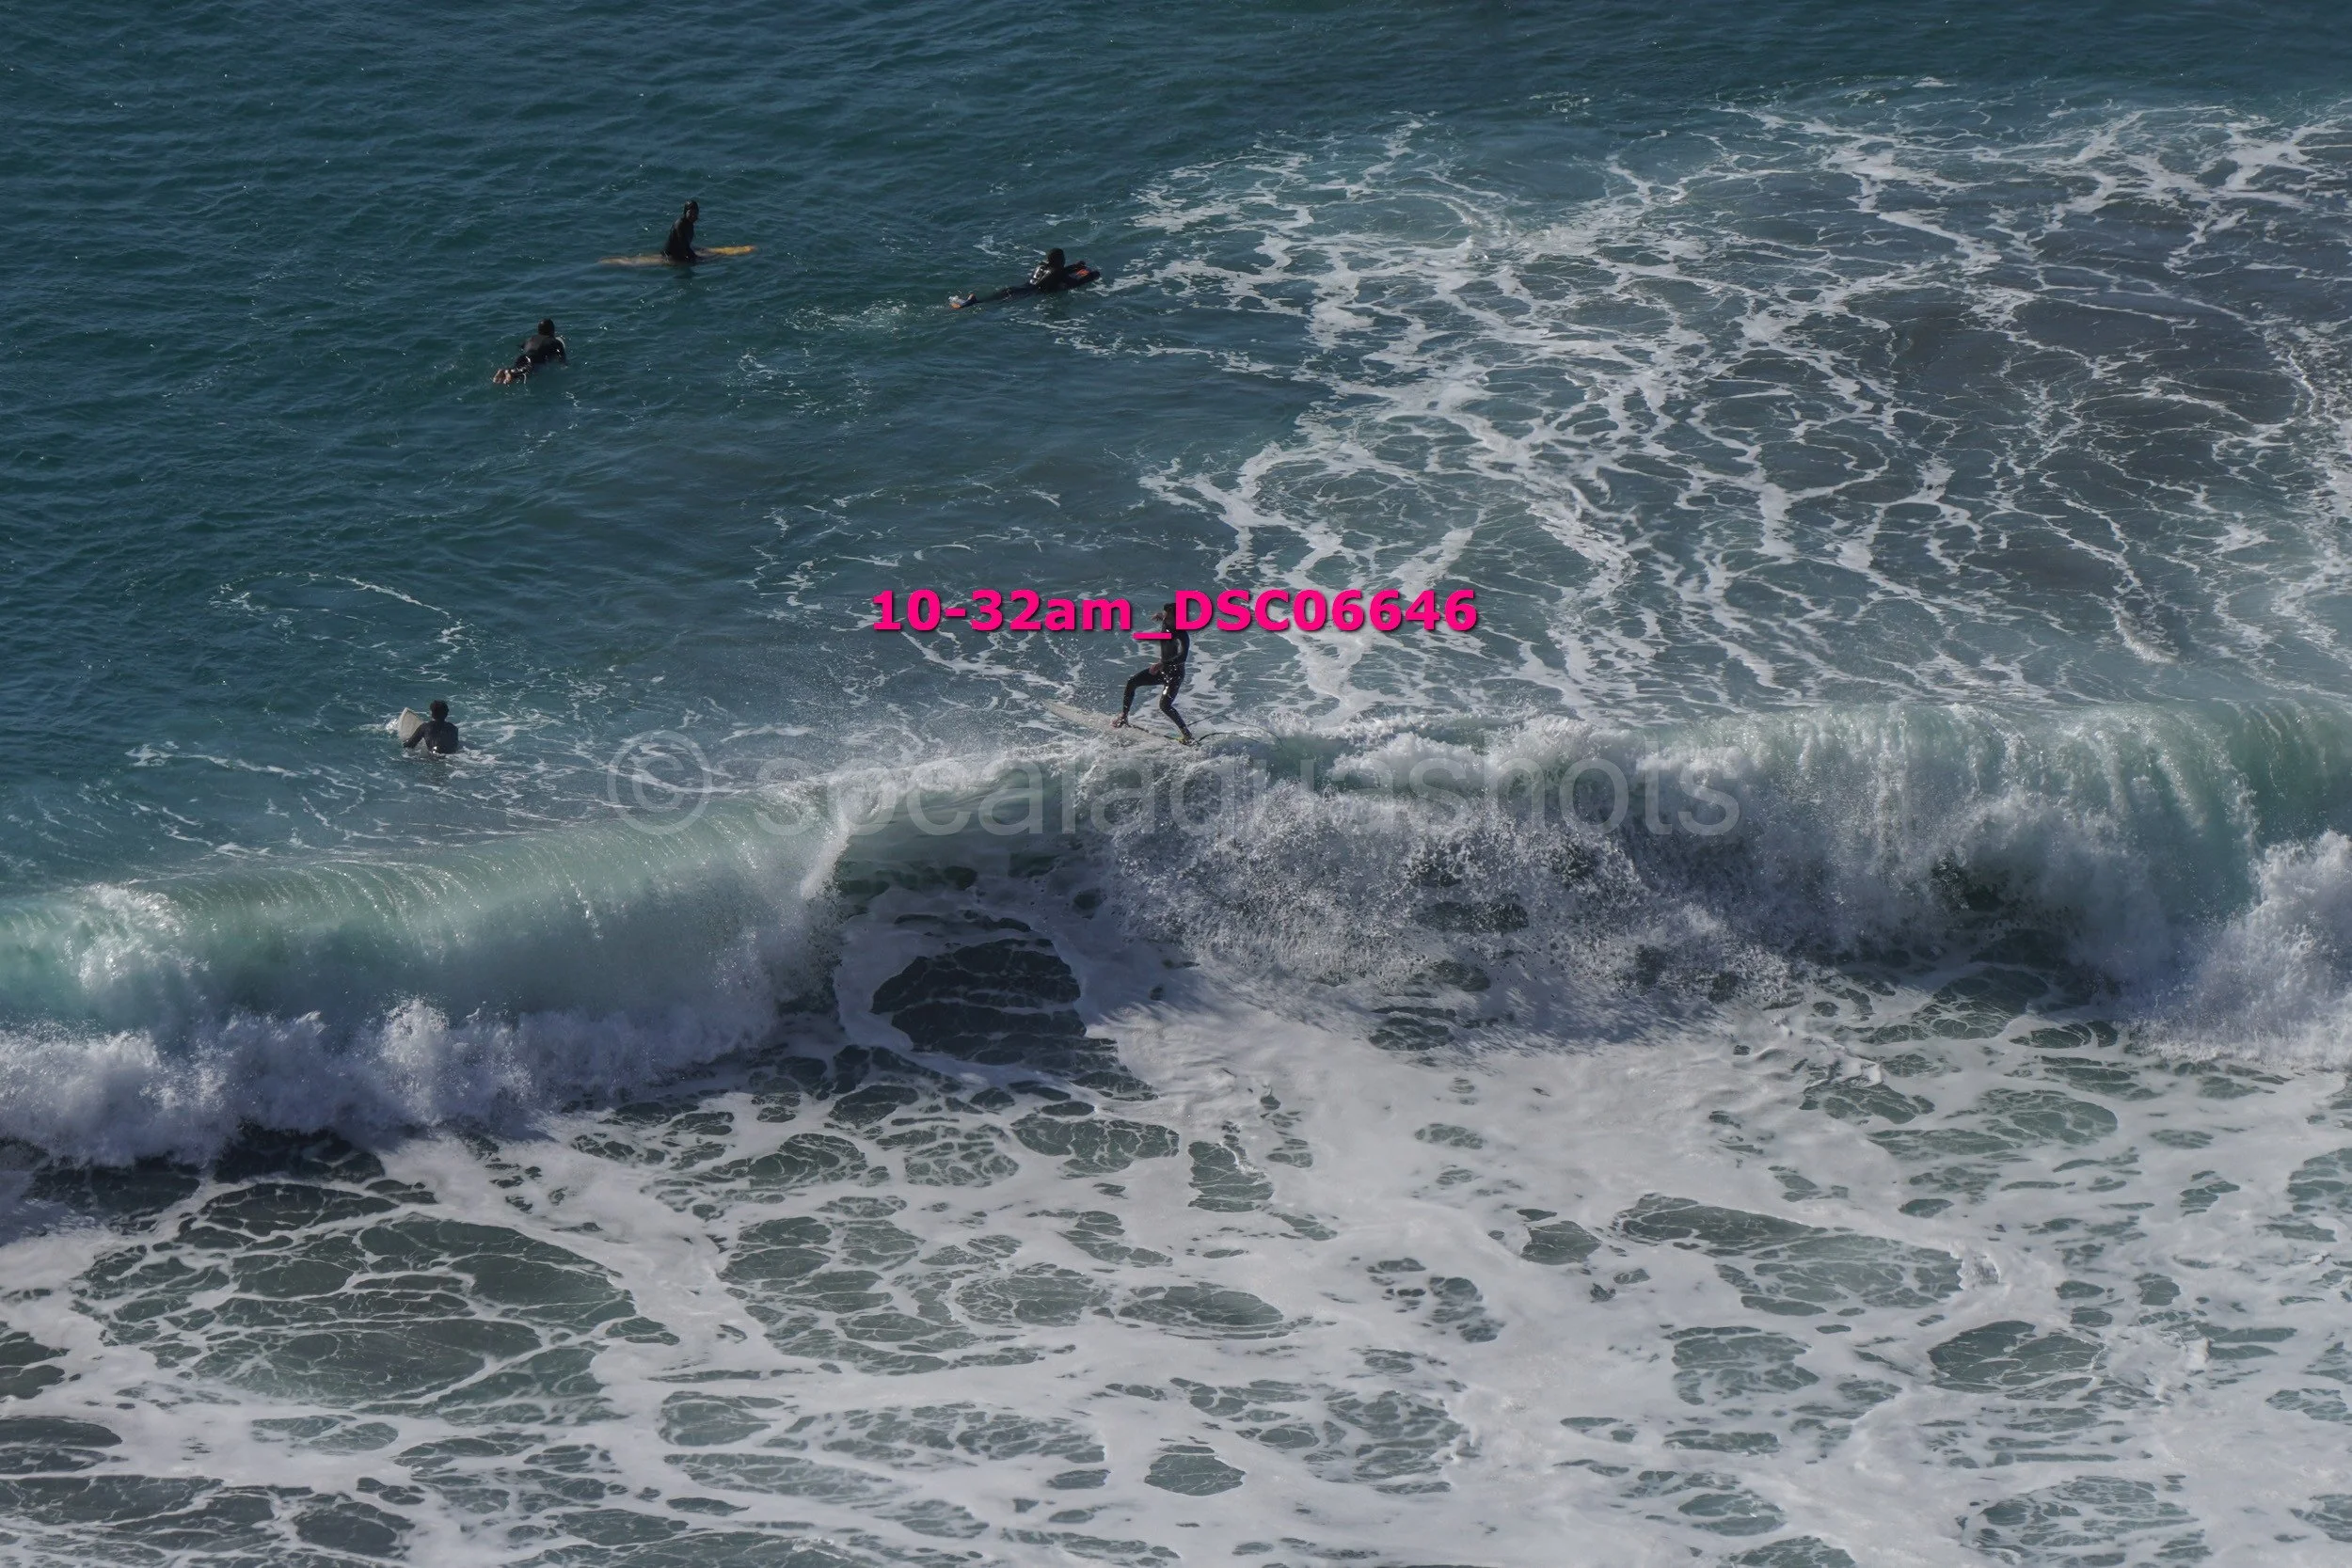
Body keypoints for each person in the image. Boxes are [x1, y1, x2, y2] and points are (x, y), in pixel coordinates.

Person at [1114, 604, 1194, 743]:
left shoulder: (1182, 635)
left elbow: (1182, 656)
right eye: (1165, 615)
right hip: (1162, 671)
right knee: (1132, 682)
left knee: (1165, 706)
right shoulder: (1167, 620)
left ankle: (1187, 735)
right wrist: (1160, 614)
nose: (1165, 618)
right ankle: (1124, 717)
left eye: (1168, 617)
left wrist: (1163, 663)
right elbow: (1164, 615)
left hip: (1175, 675)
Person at [951, 247, 1084, 309]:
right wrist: (1093, 275)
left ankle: (971, 300)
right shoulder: (1058, 271)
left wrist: (1075, 267)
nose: (1065, 260)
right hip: (1027, 293)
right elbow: (1075, 283)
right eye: (1064, 259)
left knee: (995, 297)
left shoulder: (1042, 265)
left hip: (1020, 287)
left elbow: (1056, 271)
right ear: (1059, 260)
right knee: (994, 304)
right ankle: (972, 303)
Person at [491, 320, 565, 384]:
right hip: (534, 360)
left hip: (522, 357)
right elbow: (562, 358)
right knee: (524, 373)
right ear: (552, 331)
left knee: (517, 368)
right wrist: (564, 365)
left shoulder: (530, 339)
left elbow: (521, 347)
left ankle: (505, 371)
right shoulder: (555, 341)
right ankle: (508, 372)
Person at [662, 200, 701, 264]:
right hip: (670, 256)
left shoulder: (689, 223)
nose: (693, 216)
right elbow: (685, 246)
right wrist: (697, 258)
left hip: (681, 252)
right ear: (685, 212)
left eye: (696, 213)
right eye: (691, 213)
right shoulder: (679, 224)